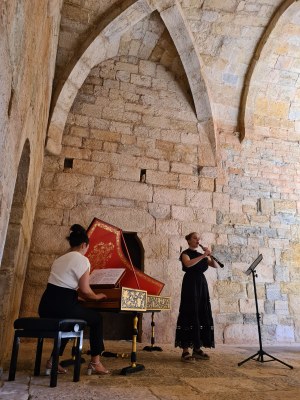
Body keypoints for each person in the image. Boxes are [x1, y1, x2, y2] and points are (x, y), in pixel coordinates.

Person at [38, 224, 109, 375]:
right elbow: (85, 290)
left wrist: (78, 297)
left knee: (67, 324)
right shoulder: (82, 260)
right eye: (87, 247)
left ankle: (53, 362)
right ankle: (95, 362)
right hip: (63, 306)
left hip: (45, 305)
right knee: (97, 319)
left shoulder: (59, 259)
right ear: (84, 244)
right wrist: (96, 297)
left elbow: (66, 286)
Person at [175, 232, 219, 362]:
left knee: (201, 314)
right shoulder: (185, 253)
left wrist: (210, 255)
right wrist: (204, 256)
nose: (197, 240)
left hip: (201, 285)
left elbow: (215, 266)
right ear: (188, 240)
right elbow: (188, 264)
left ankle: (197, 349)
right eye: (194, 238)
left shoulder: (202, 255)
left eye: (198, 238)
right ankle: (185, 351)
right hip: (190, 284)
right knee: (189, 313)